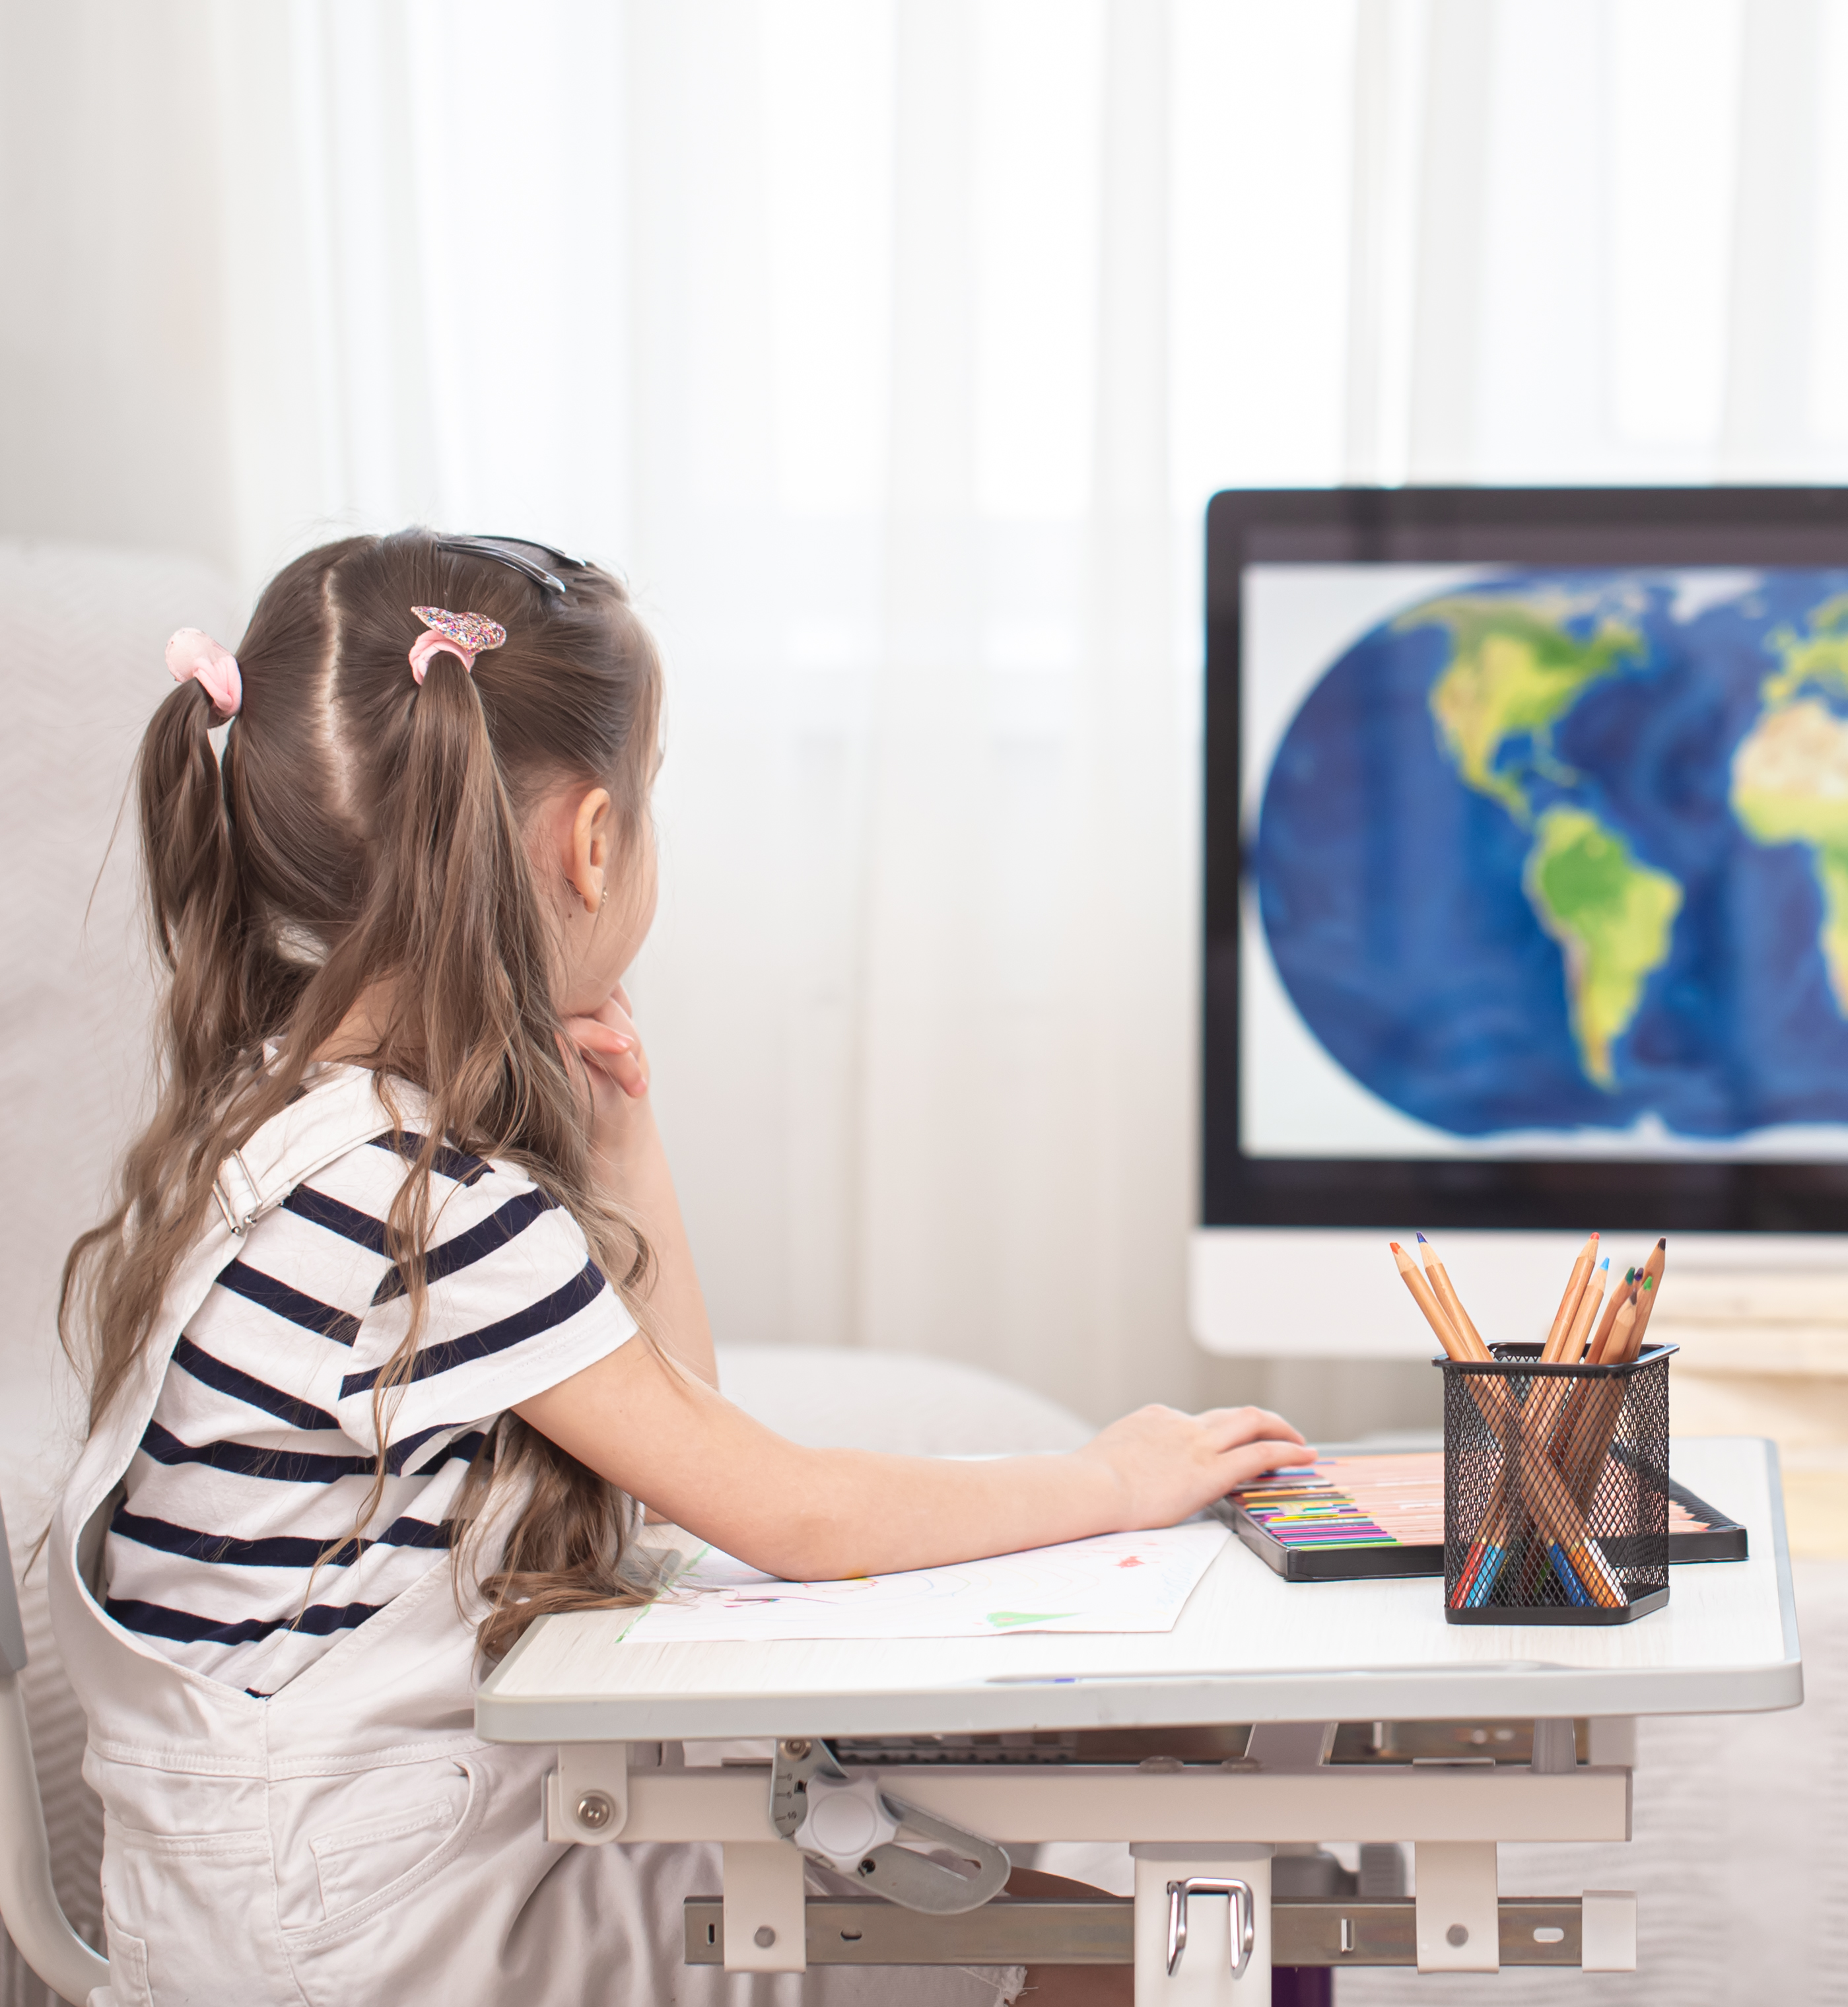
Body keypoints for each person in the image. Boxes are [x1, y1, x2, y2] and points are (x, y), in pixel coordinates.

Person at [53, 528, 1314, 2004]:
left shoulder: (279, 1127)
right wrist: (1112, 1475)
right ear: (593, 841)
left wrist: (624, 1147)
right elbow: (786, 1508)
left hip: (275, 1887)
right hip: (372, 1930)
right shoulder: (430, 1206)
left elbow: (671, 1438)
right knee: (1113, 1952)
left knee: (990, 1894)